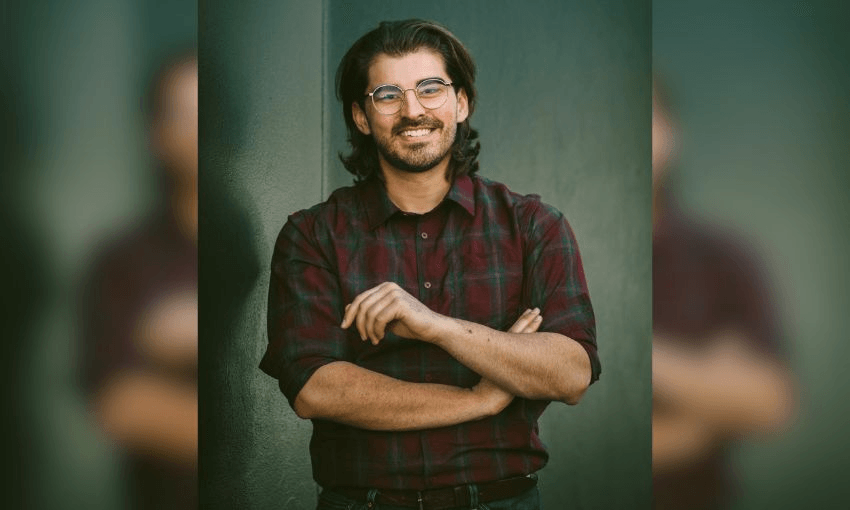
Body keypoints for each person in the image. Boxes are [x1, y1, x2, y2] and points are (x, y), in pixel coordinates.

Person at [259, 19, 599, 510]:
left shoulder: (533, 225)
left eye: (430, 88)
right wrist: (478, 400)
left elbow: (570, 373)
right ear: (360, 116)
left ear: (461, 104)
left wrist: (435, 326)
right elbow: (316, 388)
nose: (413, 109)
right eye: (387, 95)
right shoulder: (312, 235)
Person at [651, 73, 795, 509]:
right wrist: (705, 391)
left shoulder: (722, 259)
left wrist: (640, 359)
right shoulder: (554, 245)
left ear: (671, 131)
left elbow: (770, 400)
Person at [79, 50, 198, 510]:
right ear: (158, 135)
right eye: (184, 115)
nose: (199, 131)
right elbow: (121, 403)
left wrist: (195, 331)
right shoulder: (122, 261)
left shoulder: (279, 243)